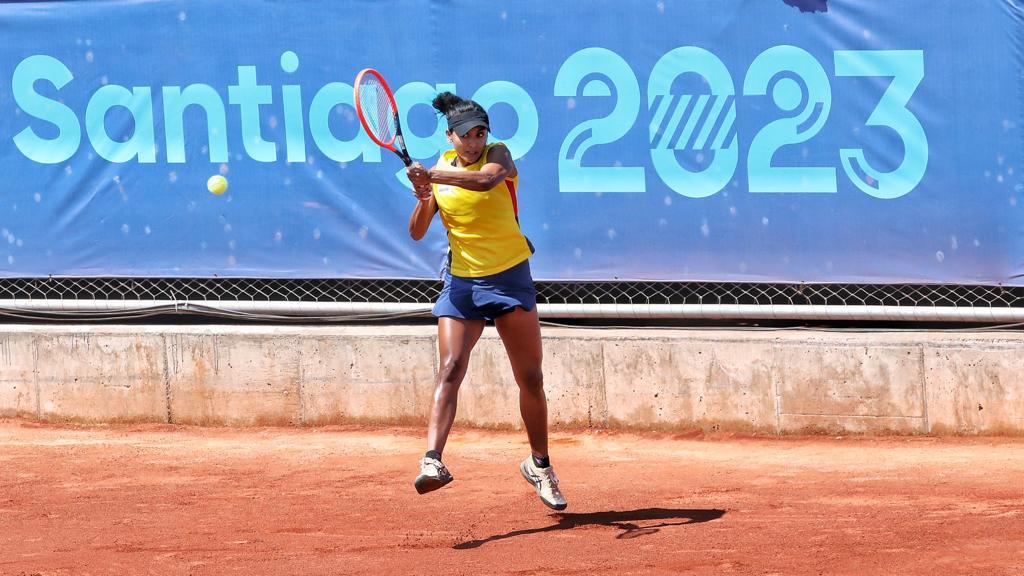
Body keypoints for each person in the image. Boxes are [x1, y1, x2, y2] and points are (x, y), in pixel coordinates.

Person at [404, 91, 566, 511]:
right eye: (465, 135)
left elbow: (487, 180)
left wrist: (434, 177)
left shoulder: (499, 155)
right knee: (451, 367)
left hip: (510, 278)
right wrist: (424, 194)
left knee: (530, 378)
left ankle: (540, 465)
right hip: (463, 284)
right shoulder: (440, 170)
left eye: (480, 133)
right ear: (449, 136)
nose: (474, 142)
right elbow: (417, 232)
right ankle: (432, 459)